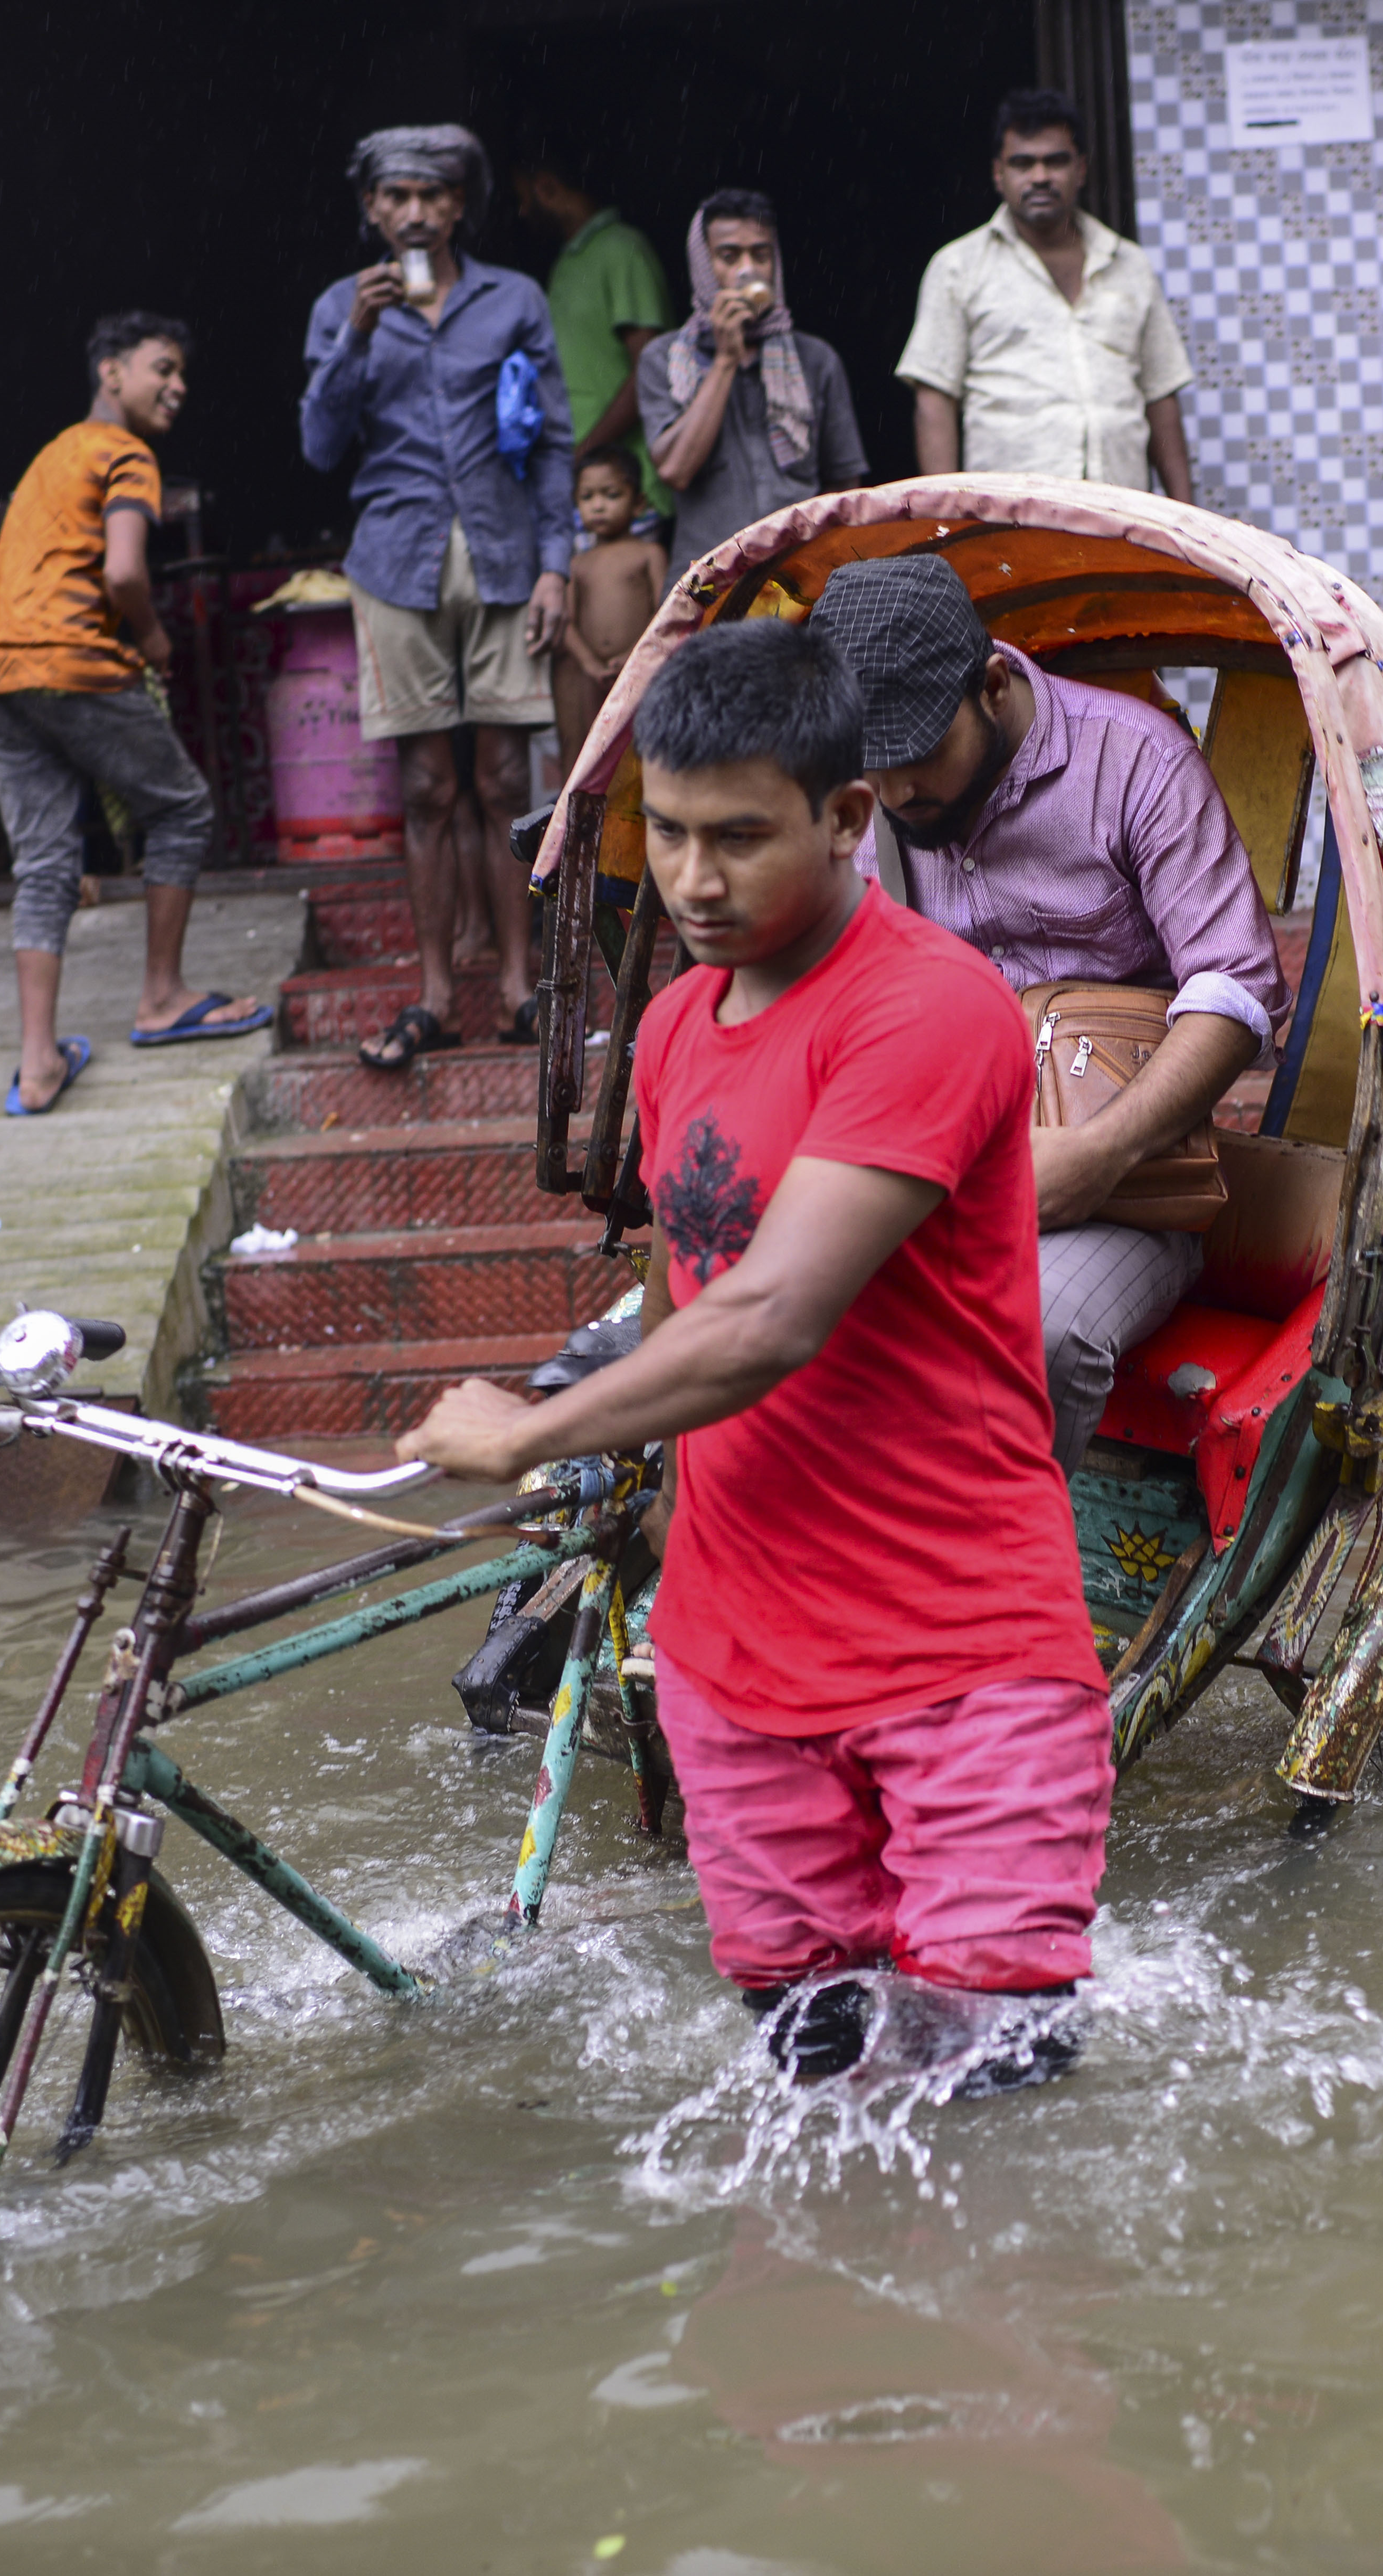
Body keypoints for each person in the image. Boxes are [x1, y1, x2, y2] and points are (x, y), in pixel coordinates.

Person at [398, 617, 1113, 2093]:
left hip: (960, 1647)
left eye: (737, 837)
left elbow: (774, 1312)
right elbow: (686, 1271)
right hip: (735, 1661)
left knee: (997, 2103)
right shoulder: (669, 1025)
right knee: (812, 2082)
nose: (693, 881)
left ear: (849, 815)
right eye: (663, 832)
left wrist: (532, 1430)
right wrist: (638, 1477)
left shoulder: (928, 1007)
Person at [805, 551, 1286, 1468]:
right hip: (927, 1168)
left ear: (991, 684)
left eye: (917, 754)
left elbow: (1235, 988)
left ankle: (994, 1596)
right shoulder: (861, 802)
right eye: (874, 762)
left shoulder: (1136, 760)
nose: (897, 793)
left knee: (1039, 1329)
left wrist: (1098, 1154)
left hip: (1123, 1182)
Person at [301, 123, 577, 1068]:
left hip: (502, 554)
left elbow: (551, 443)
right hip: (394, 559)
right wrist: (355, 338)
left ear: (461, 205)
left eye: (433, 194)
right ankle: (430, 990)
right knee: (427, 784)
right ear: (373, 211)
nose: (415, 211)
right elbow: (319, 446)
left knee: (504, 779)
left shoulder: (515, 300)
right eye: (397, 197)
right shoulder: (343, 305)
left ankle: (516, 985)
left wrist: (556, 564)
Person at [0, 312, 271, 1115]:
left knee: (44, 861)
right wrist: (155, 637)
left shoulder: (50, 455)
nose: (177, 387)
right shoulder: (127, 454)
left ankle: (37, 1063)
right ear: (110, 372)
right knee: (182, 808)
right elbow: (127, 573)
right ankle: (162, 997)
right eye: (161, 368)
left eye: (181, 376)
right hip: (70, 660)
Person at [899, 87, 1195, 499]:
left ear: (1082, 170)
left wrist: (1189, 519)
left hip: (1123, 514)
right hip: (1012, 520)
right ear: (998, 174)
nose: (1040, 176)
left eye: (1055, 161)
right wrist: (945, 518)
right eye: (1023, 163)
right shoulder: (957, 268)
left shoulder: (1130, 265)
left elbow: (1161, 398)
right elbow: (935, 402)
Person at [638, 188, 872, 572]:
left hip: (802, 576)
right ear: (702, 264)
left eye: (760, 255)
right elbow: (676, 470)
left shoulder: (816, 360)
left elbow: (847, 488)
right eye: (729, 257)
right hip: (707, 578)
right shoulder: (663, 358)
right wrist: (726, 358)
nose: (748, 271)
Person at [518, 148, 676, 517]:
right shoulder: (569, 261)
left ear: (547, 188)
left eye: (523, 199)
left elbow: (651, 369)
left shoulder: (622, 248)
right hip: (585, 487)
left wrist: (585, 452)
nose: (522, 212)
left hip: (628, 488)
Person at [555, 450, 668, 759]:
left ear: (639, 503)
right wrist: (590, 663)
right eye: (587, 497)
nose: (599, 505)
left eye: (612, 494)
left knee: (640, 746)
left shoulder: (649, 553)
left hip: (638, 665)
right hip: (591, 673)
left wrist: (634, 653)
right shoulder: (577, 565)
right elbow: (567, 623)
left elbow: (665, 612)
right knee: (593, 749)